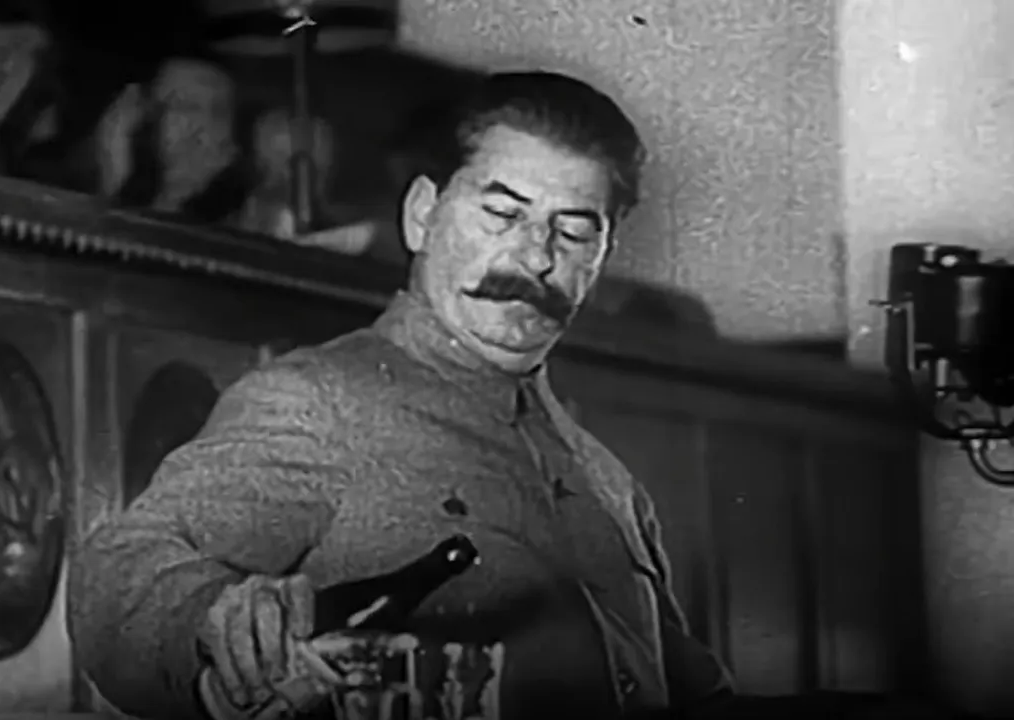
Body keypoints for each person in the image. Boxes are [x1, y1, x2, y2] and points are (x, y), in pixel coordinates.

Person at [68, 70, 733, 720]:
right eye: (502, 214)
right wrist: (217, 623)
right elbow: (120, 571)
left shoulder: (608, 481)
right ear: (421, 216)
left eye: (575, 231)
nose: (536, 257)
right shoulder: (322, 403)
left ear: (601, 257)